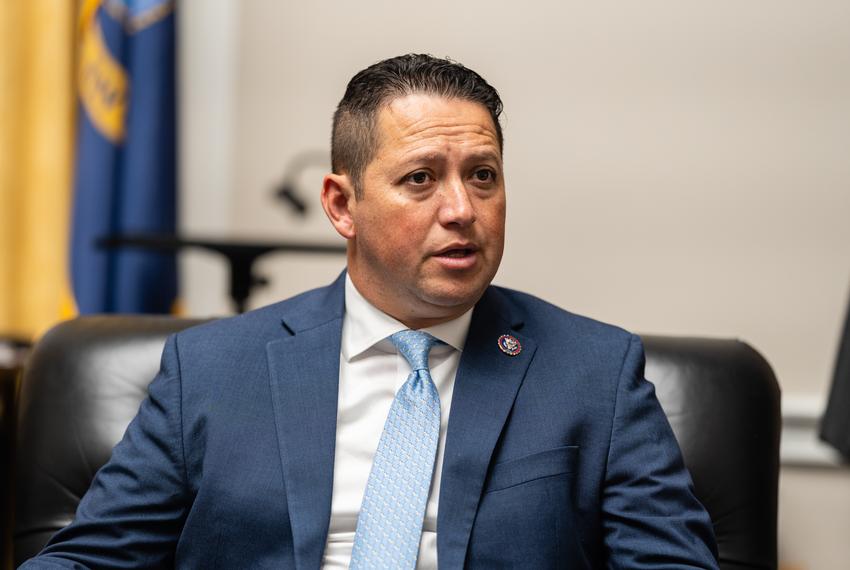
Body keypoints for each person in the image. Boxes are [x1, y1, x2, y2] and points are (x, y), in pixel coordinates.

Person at [23, 54, 718, 568]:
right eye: (420, 179)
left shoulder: (594, 372)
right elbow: (91, 560)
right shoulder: (210, 369)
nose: (461, 210)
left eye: (483, 176)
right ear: (340, 205)